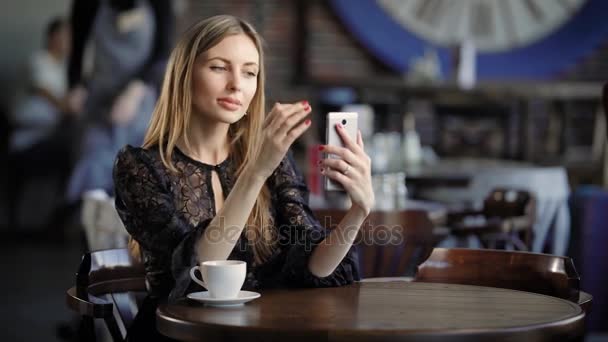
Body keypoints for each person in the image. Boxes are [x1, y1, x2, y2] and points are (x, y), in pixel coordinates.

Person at [112, 15, 374, 340]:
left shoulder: (273, 162)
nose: (237, 83)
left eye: (250, 72)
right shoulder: (140, 167)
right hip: (179, 334)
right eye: (219, 67)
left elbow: (315, 264)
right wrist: (256, 171)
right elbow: (197, 271)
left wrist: (359, 211)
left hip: (261, 330)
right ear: (184, 75)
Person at [66, 0, 173, 202]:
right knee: (93, 166)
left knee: (140, 175)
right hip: (99, 101)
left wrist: (135, 90)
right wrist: (74, 87)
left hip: (141, 99)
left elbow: (163, 52)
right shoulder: (86, 4)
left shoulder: (160, 4)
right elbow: (77, 48)